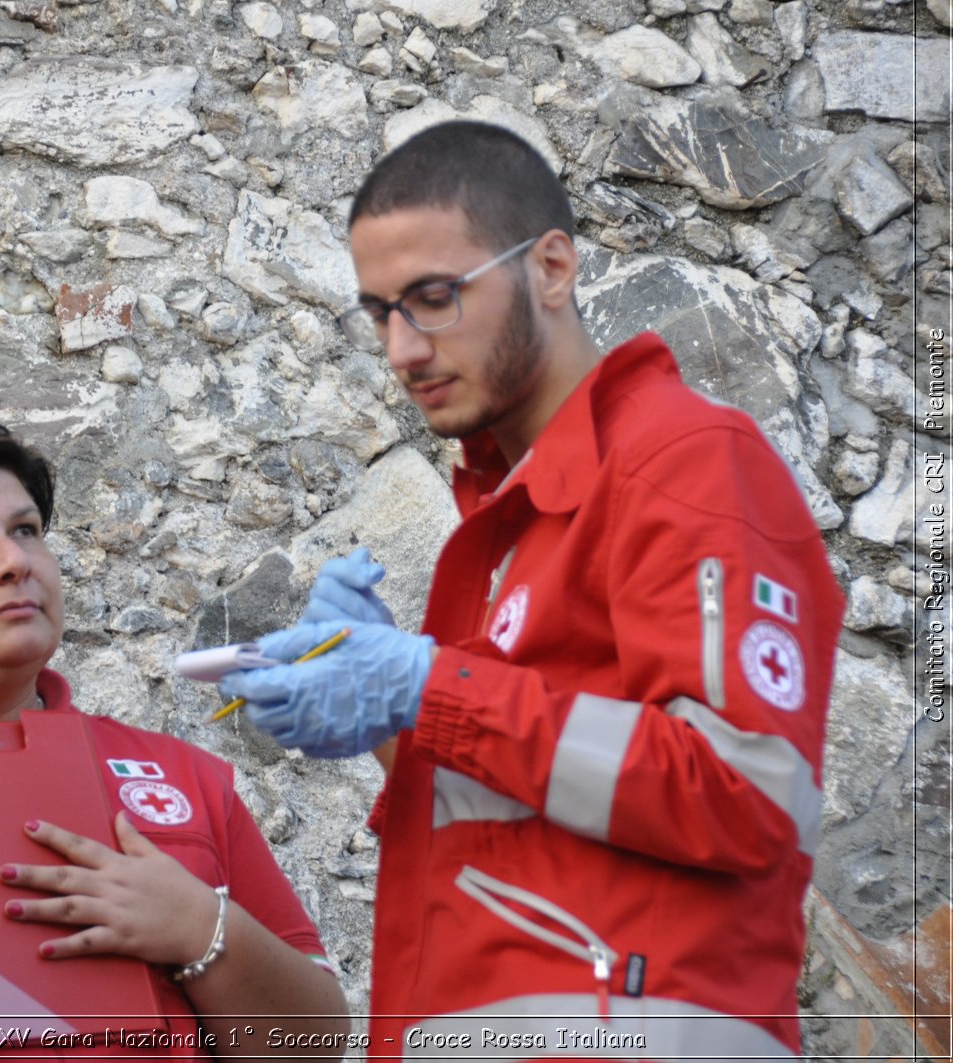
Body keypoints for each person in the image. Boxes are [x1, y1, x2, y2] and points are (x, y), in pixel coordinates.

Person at [219, 120, 844, 1058]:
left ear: (552, 268)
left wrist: (423, 688)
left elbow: (746, 797)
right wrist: (389, 719)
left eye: (432, 298)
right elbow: (521, 833)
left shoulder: (684, 461)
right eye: (380, 311)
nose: (401, 348)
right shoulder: (513, 515)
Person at [0, 406, 351, 1059]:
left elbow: (314, 1045)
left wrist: (200, 930)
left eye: (27, 529)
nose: (14, 560)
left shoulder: (181, 777)